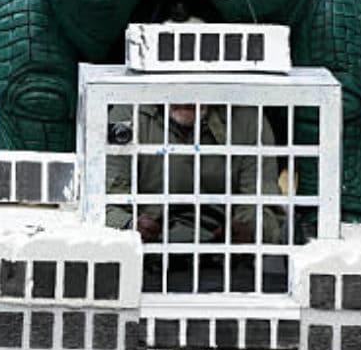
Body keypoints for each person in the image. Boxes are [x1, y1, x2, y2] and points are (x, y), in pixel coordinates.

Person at [105, 103, 284, 245]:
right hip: (146, 255)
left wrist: (250, 229)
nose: (186, 97)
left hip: (228, 259)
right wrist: (129, 225)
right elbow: (103, 203)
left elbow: (264, 205)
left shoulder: (247, 120)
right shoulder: (128, 116)